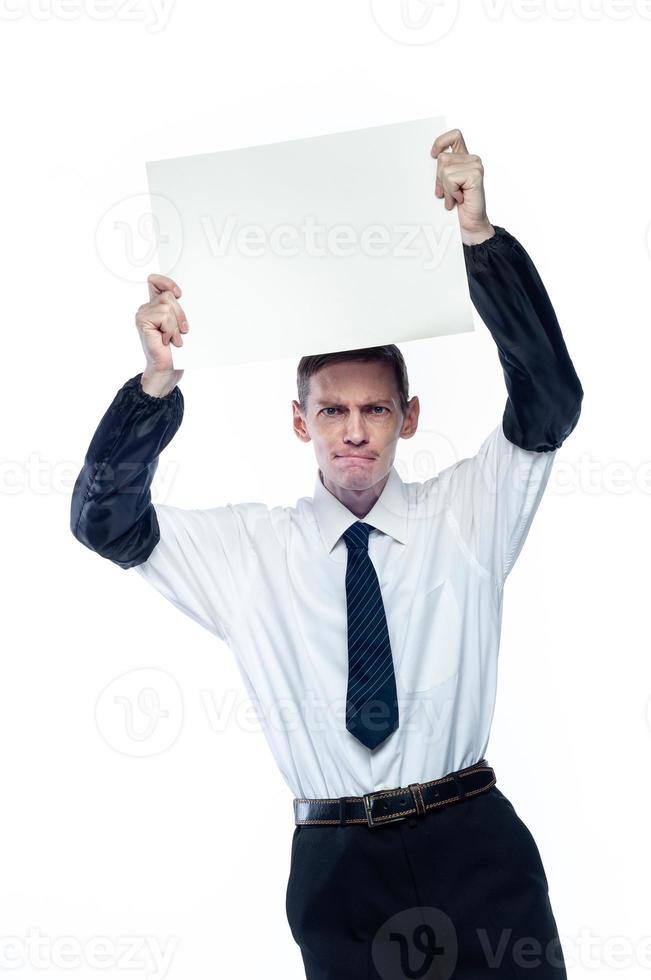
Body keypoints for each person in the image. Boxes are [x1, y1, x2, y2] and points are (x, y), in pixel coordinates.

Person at [70, 128, 583, 978]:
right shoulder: (247, 552)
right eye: (333, 411)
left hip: (473, 847)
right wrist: (155, 380)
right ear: (300, 420)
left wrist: (479, 241)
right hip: (337, 866)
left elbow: (549, 399)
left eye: (375, 410)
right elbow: (106, 523)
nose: (354, 431)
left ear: (406, 417)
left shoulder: (469, 512)